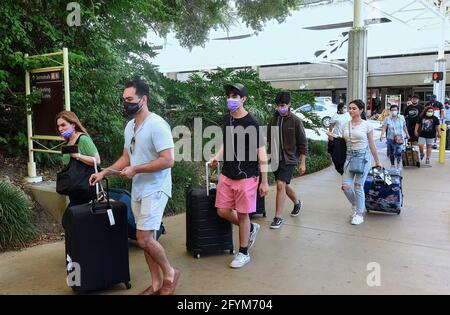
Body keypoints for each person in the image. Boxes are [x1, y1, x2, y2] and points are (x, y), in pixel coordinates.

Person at [89, 79, 180, 295]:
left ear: (143, 99)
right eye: (124, 100)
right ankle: (157, 284)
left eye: (130, 99)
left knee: (144, 238)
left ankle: (170, 273)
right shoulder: (130, 126)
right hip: (140, 188)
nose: (125, 104)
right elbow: (126, 157)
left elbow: (168, 160)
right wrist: (105, 172)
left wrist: (136, 169)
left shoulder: (157, 125)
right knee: (147, 240)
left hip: (156, 188)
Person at [208, 83, 269, 268]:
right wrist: (216, 158)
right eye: (229, 95)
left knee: (243, 214)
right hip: (228, 173)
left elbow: (261, 152)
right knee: (222, 211)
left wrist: (264, 181)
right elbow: (226, 143)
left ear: (244, 99)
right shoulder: (227, 119)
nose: (231, 99)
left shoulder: (252, 123)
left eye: (235, 96)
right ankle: (250, 228)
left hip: (247, 175)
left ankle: (243, 252)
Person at [266, 91, 307, 229]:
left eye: (283, 105)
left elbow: (303, 143)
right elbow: (269, 138)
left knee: (280, 185)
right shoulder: (273, 119)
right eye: (278, 105)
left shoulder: (295, 121)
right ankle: (297, 202)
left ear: (289, 104)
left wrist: (302, 163)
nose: (280, 108)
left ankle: (278, 217)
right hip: (275, 158)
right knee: (284, 185)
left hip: (289, 159)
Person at [340, 100, 382, 225]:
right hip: (349, 158)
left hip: (363, 158)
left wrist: (377, 161)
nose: (351, 110)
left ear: (361, 110)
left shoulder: (367, 125)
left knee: (358, 186)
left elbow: (372, 144)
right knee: (346, 187)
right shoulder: (345, 125)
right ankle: (356, 204)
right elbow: (344, 143)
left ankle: (359, 214)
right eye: (350, 108)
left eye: (354, 108)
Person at [56, 111, 101, 207]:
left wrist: (78, 156)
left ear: (73, 124)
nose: (60, 129)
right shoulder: (67, 142)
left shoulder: (83, 139)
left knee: (71, 218)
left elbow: (97, 161)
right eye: (58, 126)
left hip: (85, 188)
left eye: (63, 125)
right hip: (74, 189)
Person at [380, 105, 409, 169]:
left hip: (400, 138)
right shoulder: (387, 118)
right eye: (392, 110)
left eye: (395, 110)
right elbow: (384, 127)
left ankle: (398, 164)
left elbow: (404, 126)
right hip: (390, 137)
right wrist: (382, 135)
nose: (394, 111)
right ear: (390, 111)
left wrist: (407, 134)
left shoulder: (401, 117)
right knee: (391, 152)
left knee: (398, 152)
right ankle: (392, 165)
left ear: (398, 111)